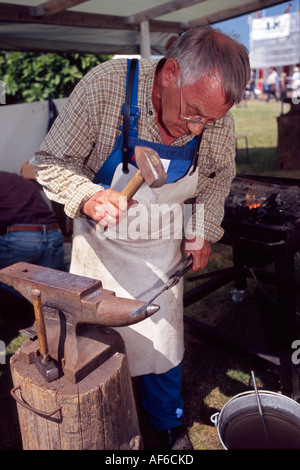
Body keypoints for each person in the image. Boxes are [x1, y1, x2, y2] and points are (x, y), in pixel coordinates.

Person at [35, 24, 250, 450]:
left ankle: (166, 421)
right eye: (192, 113)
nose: (197, 128)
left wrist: (201, 229)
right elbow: (50, 161)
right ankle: (105, 424)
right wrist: (89, 196)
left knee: (162, 343)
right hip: (103, 249)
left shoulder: (210, 116)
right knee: (97, 348)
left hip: (162, 248)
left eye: (211, 119)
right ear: (170, 72)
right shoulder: (107, 86)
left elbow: (216, 176)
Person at [0, 172, 65, 283]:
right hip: (54, 235)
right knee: (50, 289)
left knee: (12, 287)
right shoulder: (16, 179)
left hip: (22, 240)